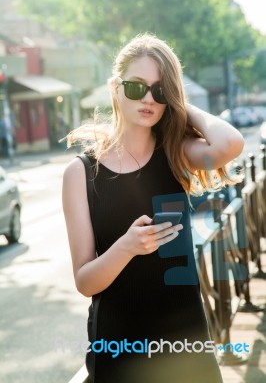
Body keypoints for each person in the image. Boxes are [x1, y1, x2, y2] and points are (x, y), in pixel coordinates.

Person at [62, 33, 244, 383]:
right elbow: (85, 281)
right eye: (136, 87)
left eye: (159, 91)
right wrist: (127, 247)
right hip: (120, 348)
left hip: (185, 344)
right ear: (115, 87)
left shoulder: (176, 152)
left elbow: (230, 143)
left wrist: (177, 103)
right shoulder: (80, 174)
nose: (148, 98)